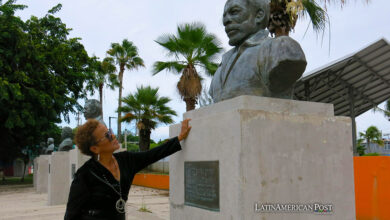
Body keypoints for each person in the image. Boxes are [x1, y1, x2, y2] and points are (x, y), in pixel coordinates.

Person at [64, 118, 192, 220]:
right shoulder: (85, 175)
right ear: (95, 149)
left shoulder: (126, 160)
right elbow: (71, 215)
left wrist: (179, 138)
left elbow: (153, 154)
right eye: (107, 135)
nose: (113, 136)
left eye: (110, 131)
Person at [209, 0, 307, 103]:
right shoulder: (220, 68)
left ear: (259, 15)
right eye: (224, 16)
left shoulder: (280, 48)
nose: (225, 21)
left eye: (234, 12)